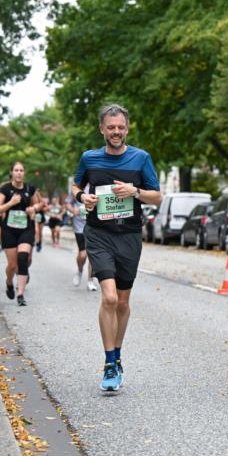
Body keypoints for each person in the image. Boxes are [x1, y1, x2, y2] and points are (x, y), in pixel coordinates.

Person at [71, 103, 162, 392]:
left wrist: (135, 191)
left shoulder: (141, 158)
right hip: (98, 234)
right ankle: (109, 363)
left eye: (120, 127)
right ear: (102, 129)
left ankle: (117, 355)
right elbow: (74, 186)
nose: (116, 131)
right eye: (111, 127)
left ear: (127, 128)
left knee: (122, 302)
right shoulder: (89, 158)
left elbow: (157, 197)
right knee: (108, 298)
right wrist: (81, 197)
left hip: (129, 236)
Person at [0, 162, 40, 306]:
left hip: (26, 228)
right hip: (9, 230)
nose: (19, 173)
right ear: (11, 173)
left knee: (23, 258)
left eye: (21, 170)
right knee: (12, 265)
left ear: (24, 173)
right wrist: (11, 203)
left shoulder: (29, 188)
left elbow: (39, 204)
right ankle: (9, 282)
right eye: (16, 170)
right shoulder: (5, 189)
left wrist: (33, 208)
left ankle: (20, 295)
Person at [68, 195, 97, 291]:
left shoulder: (96, 186)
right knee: (83, 255)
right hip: (79, 227)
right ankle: (80, 271)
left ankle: (90, 281)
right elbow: (68, 203)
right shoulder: (77, 188)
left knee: (92, 254)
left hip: (93, 226)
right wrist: (73, 210)